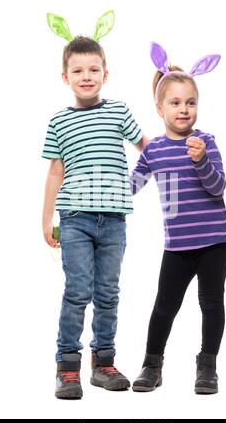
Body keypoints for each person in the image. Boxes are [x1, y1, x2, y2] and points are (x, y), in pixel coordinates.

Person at [42, 33, 148, 399]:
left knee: (107, 293)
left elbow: (146, 148)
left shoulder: (118, 111)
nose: (86, 76)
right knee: (77, 291)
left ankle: (103, 363)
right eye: (77, 70)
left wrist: (148, 174)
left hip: (114, 221)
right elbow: (56, 172)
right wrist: (45, 219)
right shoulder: (59, 122)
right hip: (74, 219)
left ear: (106, 73)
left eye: (93, 69)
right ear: (65, 76)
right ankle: (67, 367)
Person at [130, 43, 226, 394]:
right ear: (160, 108)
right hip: (178, 246)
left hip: (216, 242)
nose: (184, 109)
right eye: (175, 103)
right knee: (164, 307)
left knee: (212, 303)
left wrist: (202, 159)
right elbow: (131, 186)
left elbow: (218, 188)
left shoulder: (206, 141)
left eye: (190, 102)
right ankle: (151, 364)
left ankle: (207, 366)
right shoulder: (154, 150)